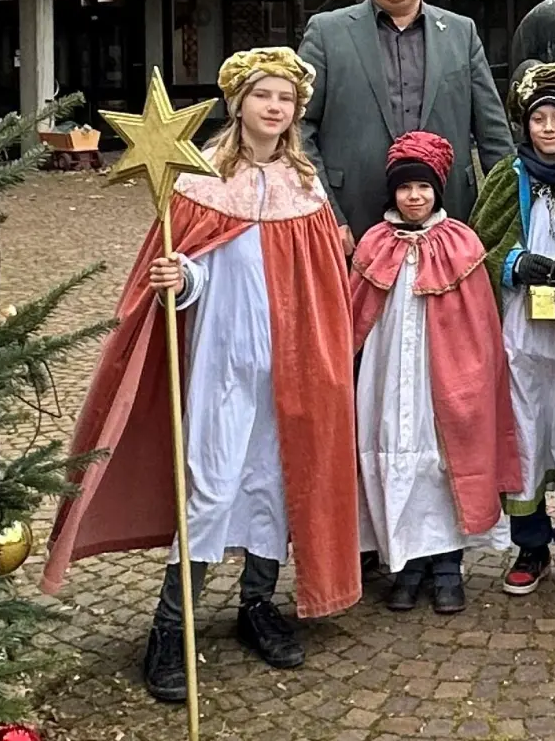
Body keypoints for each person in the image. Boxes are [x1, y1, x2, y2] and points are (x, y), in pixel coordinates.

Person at [39, 47, 361, 703]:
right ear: (238, 102)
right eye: (263, 95)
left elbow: (324, 285)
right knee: (210, 489)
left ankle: (257, 606)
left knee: (276, 484)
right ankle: (170, 627)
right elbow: (191, 265)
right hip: (221, 366)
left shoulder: (306, 186)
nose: (275, 107)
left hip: (291, 371)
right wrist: (178, 276)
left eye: (286, 99)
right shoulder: (199, 178)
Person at [348, 131, 520, 615]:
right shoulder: (376, 242)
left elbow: (480, 321)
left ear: (438, 191)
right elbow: (353, 312)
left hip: (440, 377)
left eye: (423, 188)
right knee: (392, 456)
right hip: (387, 376)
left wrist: (476, 378)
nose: (415, 196)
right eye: (405, 188)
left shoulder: (460, 243)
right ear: (393, 193)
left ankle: (446, 565)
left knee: (442, 463)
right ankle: (405, 565)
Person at [298, 0, 515, 254]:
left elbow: (494, 136)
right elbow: (299, 128)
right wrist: (327, 213)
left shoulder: (462, 33)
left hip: (450, 221)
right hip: (352, 222)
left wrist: (504, 224)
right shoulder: (327, 33)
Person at [470, 63, 555, 599]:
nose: (548, 128)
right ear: (524, 124)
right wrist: (515, 262)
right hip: (522, 331)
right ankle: (530, 543)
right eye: (538, 119)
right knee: (525, 431)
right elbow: (479, 242)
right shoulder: (509, 176)